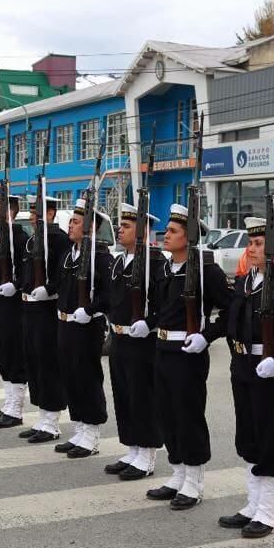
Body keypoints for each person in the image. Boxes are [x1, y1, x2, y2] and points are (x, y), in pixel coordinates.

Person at [144, 204, 230, 509]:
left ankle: (195, 480)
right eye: (166, 230)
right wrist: (149, 323)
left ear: (189, 237)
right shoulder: (164, 268)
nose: (165, 235)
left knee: (188, 415)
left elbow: (231, 312)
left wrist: (206, 337)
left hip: (188, 353)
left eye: (173, 231)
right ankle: (178, 473)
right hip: (163, 349)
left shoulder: (207, 271)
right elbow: (158, 308)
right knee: (166, 413)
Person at [217, 216, 274, 537]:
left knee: (271, 438)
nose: (251, 249)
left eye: (259, 243)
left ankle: (269, 511)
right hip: (243, 367)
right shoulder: (245, 281)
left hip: (270, 370)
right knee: (248, 437)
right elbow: (231, 320)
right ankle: (253, 503)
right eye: (250, 243)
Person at [104, 203, 164, 480]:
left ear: (142, 231)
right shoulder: (119, 260)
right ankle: (132, 448)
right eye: (121, 225)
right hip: (119, 337)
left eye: (126, 226)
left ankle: (147, 455)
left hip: (142, 341)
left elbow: (166, 304)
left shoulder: (155, 261)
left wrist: (149, 323)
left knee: (142, 397)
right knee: (124, 395)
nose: (120, 230)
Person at [53, 198, 112, 459]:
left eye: (76, 222)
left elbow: (109, 293)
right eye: (71, 221)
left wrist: (89, 310)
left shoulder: (99, 255)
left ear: (90, 228)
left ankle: (92, 433)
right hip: (65, 323)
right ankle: (79, 428)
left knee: (87, 376)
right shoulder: (69, 253)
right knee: (70, 376)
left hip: (87, 325)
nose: (70, 226)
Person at [18, 194, 68, 443]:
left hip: (47, 310)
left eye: (36, 213)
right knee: (34, 363)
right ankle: (42, 417)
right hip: (29, 309)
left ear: (50, 214)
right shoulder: (33, 240)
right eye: (30, 212)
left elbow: (63, 274)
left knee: (48, 364)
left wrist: (49, 289)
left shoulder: (58, 240)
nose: (31, 217)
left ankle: (51, 422)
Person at [0, 192, 29, 429]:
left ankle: (16, 409)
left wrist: (17, 285)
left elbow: (28, 271)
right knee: (1, 353)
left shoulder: (20, 239)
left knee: (14, 354)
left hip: (15, 306)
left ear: (10, 212)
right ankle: (8, 405)